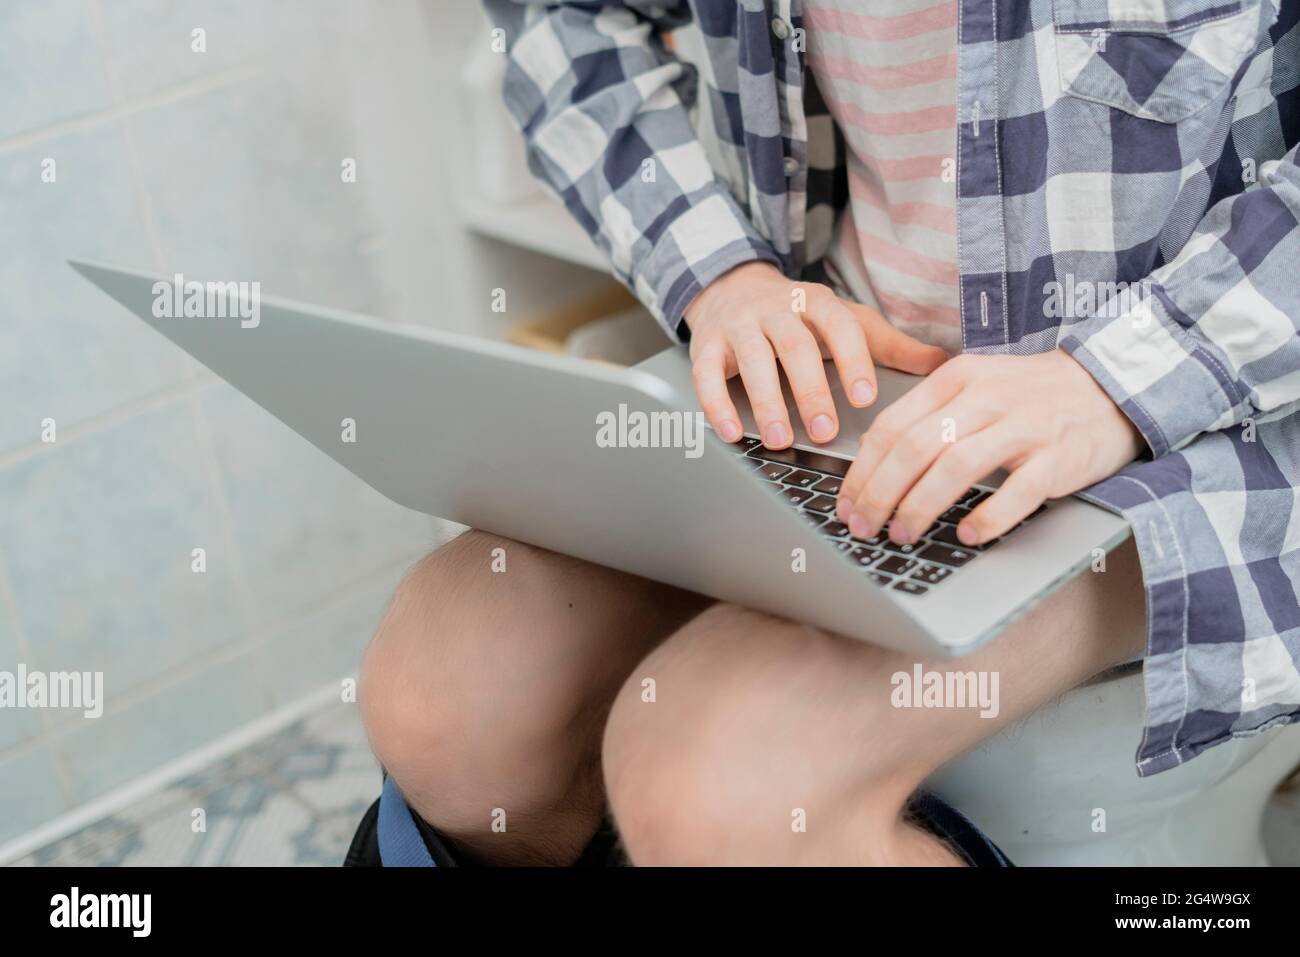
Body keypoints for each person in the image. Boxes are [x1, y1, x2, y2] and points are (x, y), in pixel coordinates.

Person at [359, 0, 1300, 865]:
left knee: (717, 784)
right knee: (448, 699)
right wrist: (722, 274)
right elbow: (561, 19)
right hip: (842, 392)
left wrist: (1115, 383)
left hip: (1188, 439)